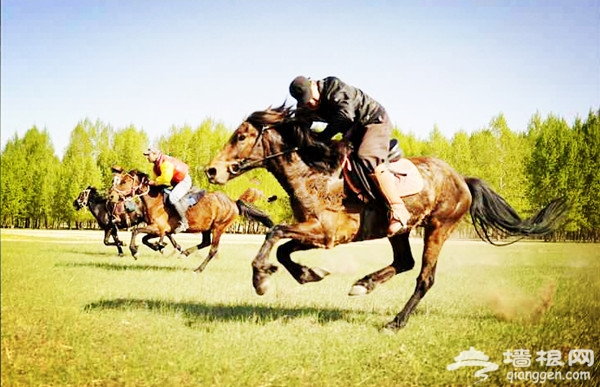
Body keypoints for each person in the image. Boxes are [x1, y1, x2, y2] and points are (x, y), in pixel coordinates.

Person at [289, 75, 411, 235]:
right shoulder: (305, 105)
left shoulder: (334, 87)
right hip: (352, 130)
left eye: (311, 99)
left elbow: (346, 115)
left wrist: (322, 137)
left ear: (313, 85)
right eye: (306, 102)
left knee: (365, 156)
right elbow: (300, 125)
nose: (310, 104)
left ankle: (398, 209)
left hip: (373, 121)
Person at [143, 148, 192, 233]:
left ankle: (184, 222)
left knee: (173, 198)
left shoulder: (165, 162)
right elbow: (157, 179)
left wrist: (154, 182)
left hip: (184, 181)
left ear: (155, 154)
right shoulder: (156, 166)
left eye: (148, 155)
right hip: (175, 183)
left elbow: (165, 178)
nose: (147, 157)